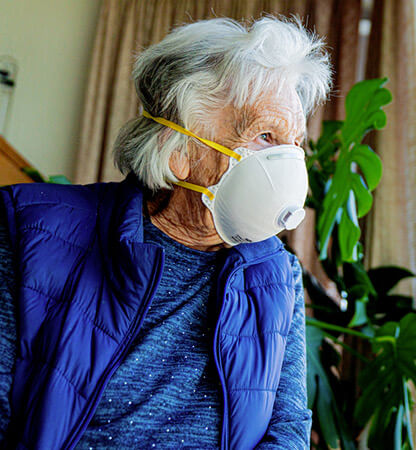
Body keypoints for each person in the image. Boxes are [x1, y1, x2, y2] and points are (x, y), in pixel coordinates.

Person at [0, 16, 331, 449]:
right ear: (180, 152)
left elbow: (286, 431)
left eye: (295, 144)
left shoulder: (276, 275)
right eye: (265, 136)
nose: (288, 165)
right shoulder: (29, 232)